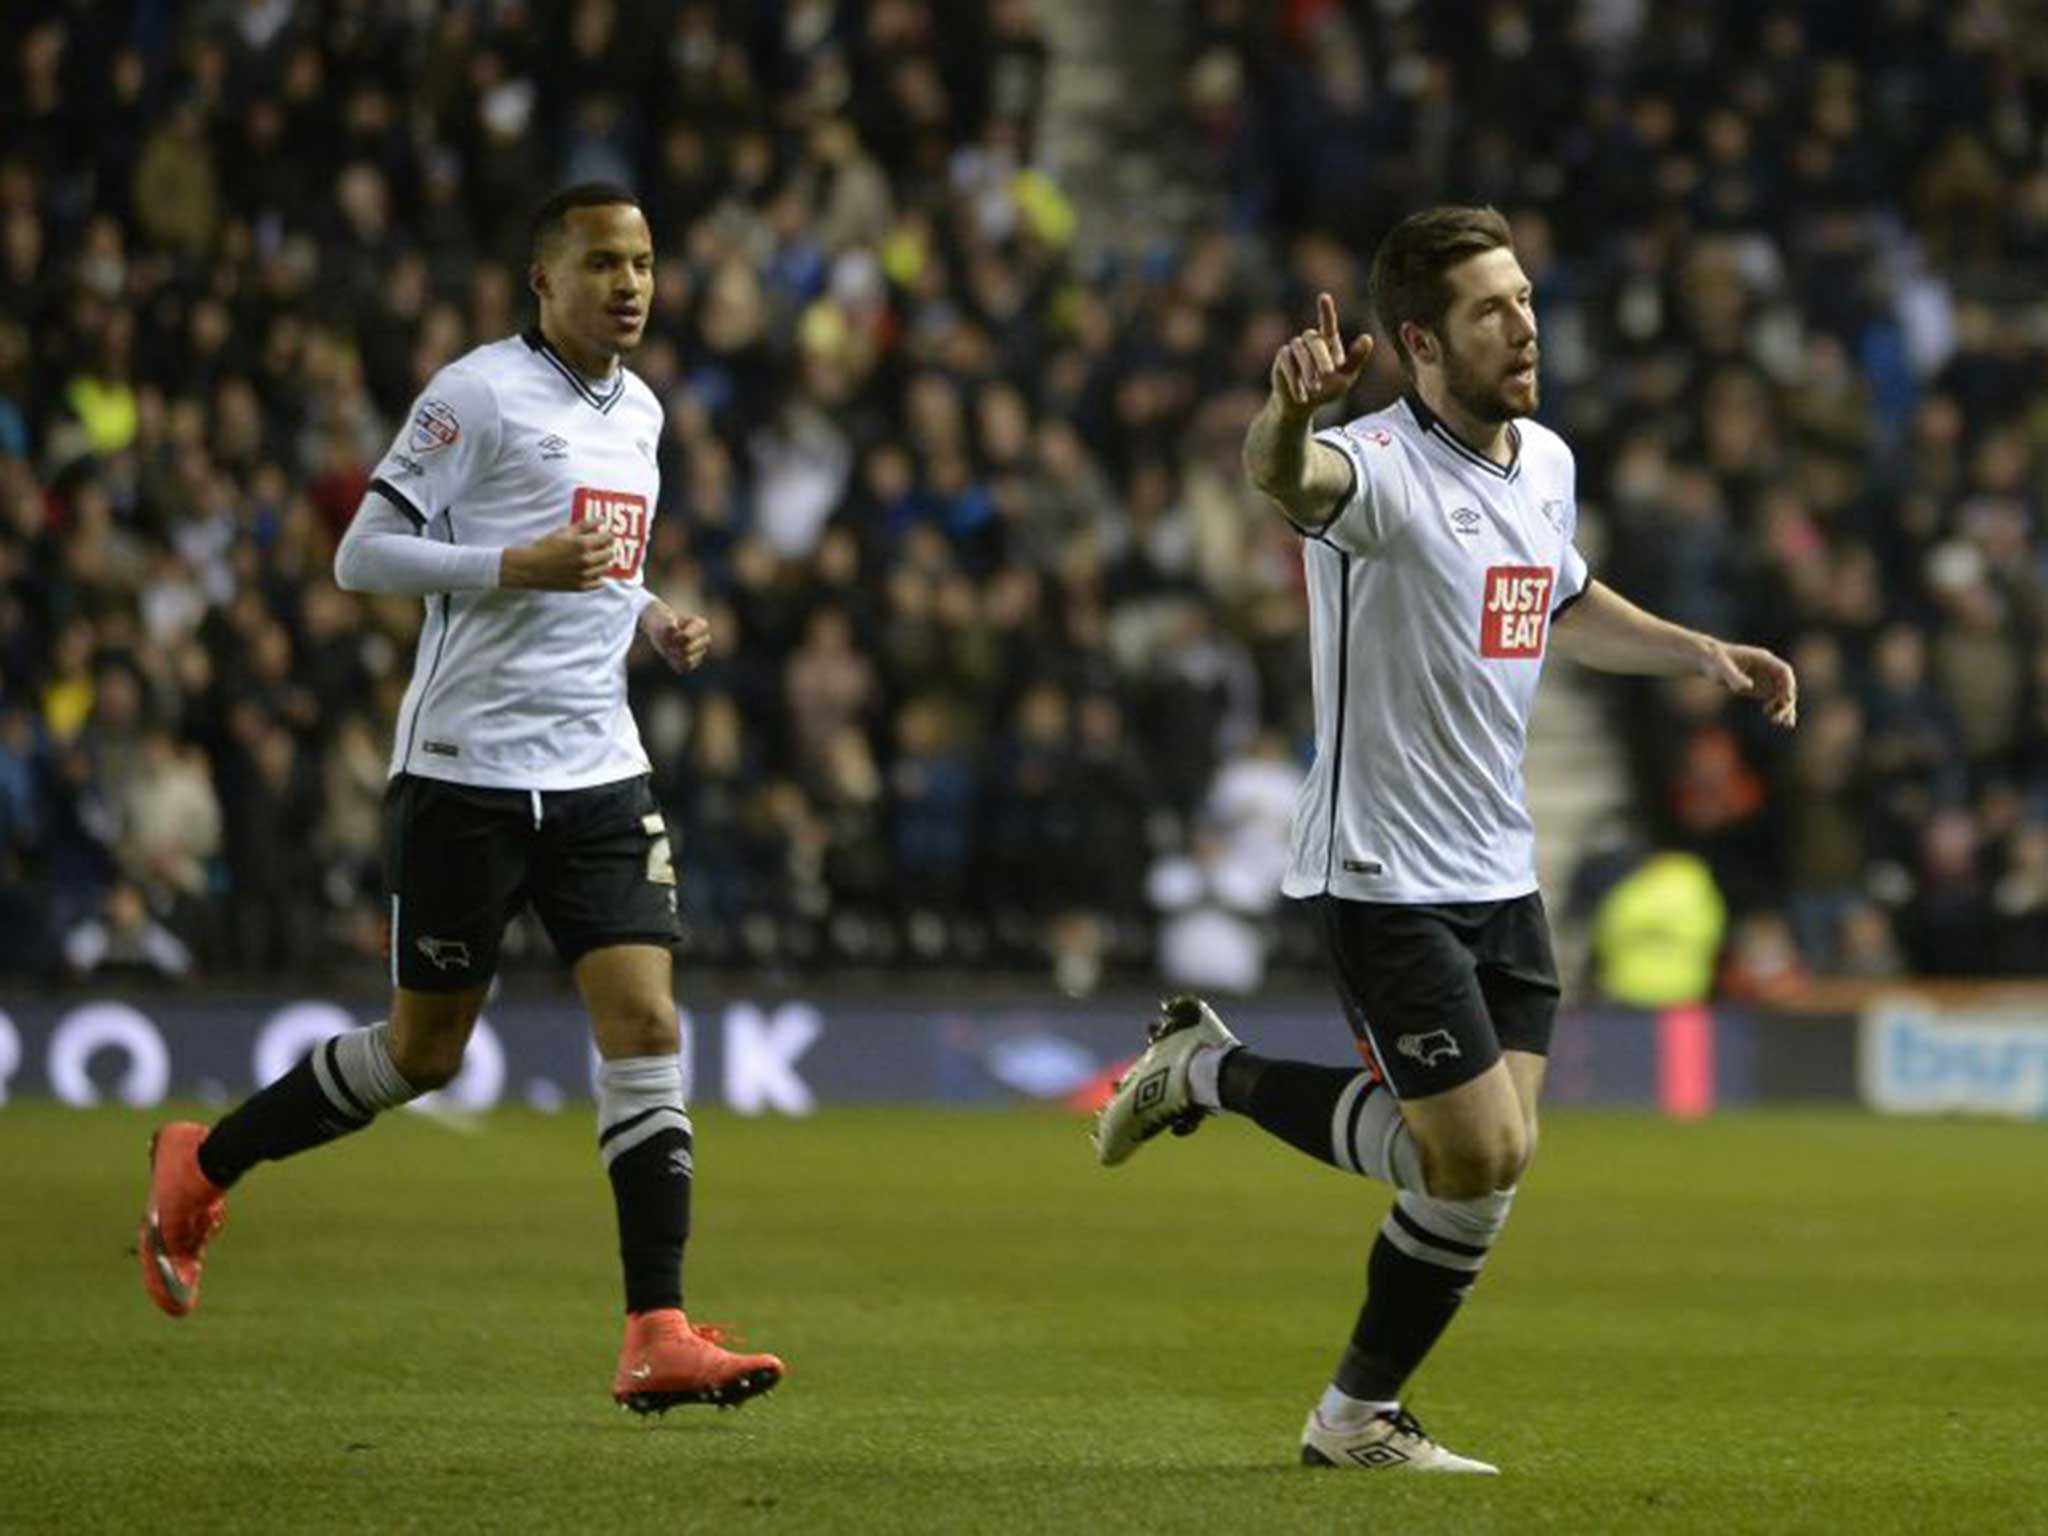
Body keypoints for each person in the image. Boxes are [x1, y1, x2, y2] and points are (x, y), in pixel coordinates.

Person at [1093, 206, 1795, 1472]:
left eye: (1524, 298)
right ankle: (1207, 1077)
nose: (1522, 323)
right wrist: (1288, 411)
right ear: (1418, 341)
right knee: (1463, 1152)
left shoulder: (1544, 463)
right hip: (1381, 868)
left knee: (1486, 1167)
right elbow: (1280, 476)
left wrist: (1697, 653)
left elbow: (1563, 600)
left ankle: (1355, 1417)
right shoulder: (1370, 469)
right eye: (1490, 308)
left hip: (1497, 868)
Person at [136, 183, 786, 1415]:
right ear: (543, 281)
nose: (631, 284)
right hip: (464, 773)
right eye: (603, 263)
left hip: (597, 766)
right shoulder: (475, 393)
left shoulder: (640, 410)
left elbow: (609, 556)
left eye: (643, 262)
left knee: (646, 1028)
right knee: (423, 1054)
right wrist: (508, 565)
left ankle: (654, 1326)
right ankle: (203, 1160)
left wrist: (652, 616)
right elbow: (360, 553)